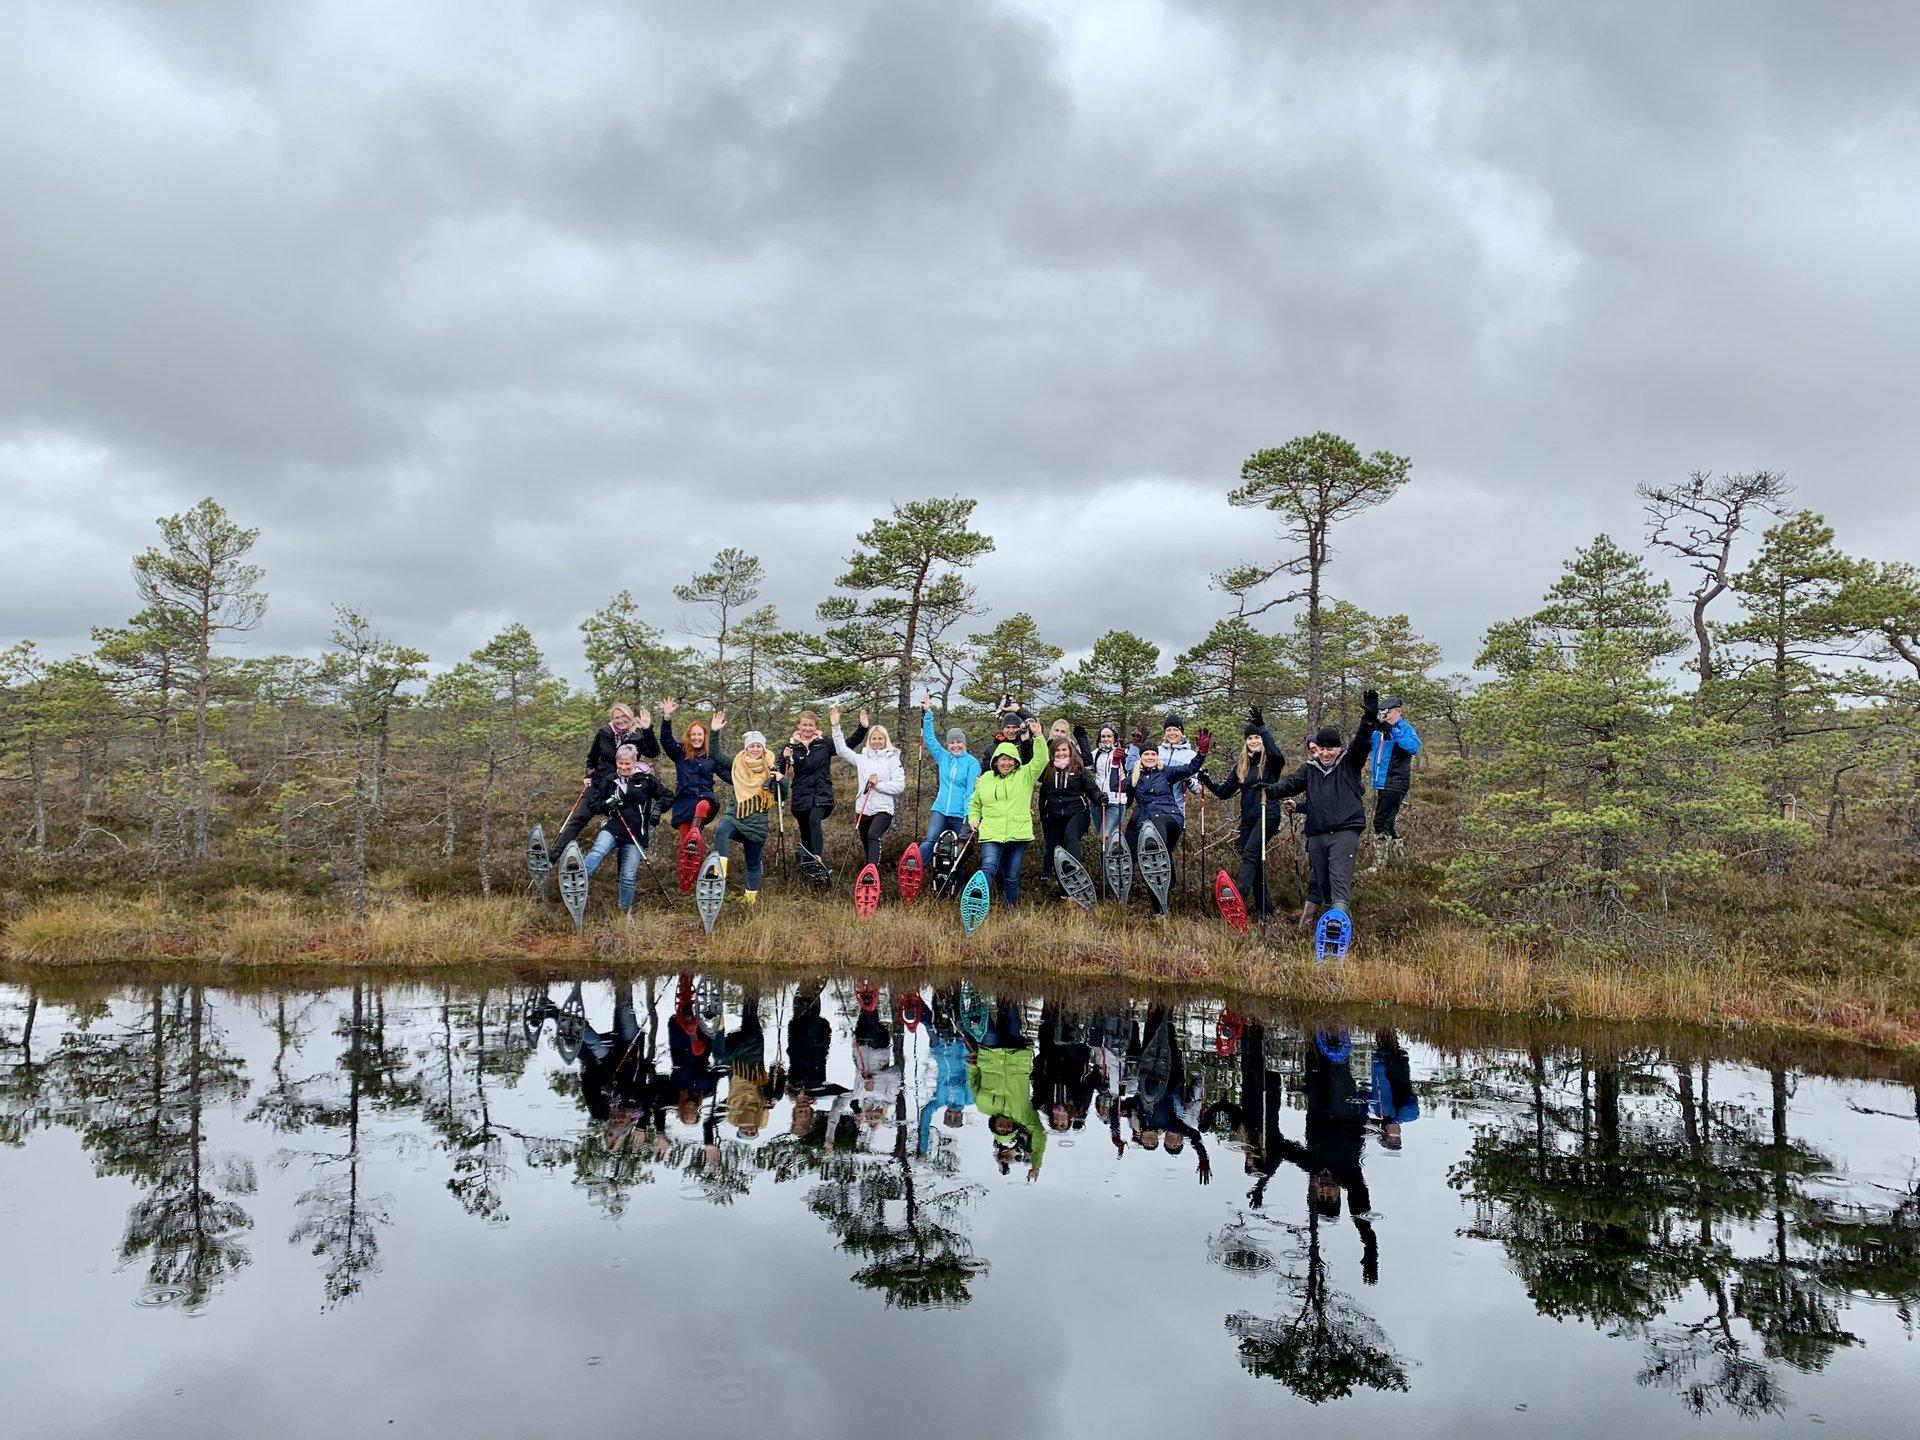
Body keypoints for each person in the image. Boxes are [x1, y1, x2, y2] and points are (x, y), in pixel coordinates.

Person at [1268, 689, 1383, 927]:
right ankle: (1330, 923)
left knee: (1339, 880)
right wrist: (1270, 789)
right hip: (1317, 833)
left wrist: (1369, 719)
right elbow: (1290, 784)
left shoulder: (1349, 764)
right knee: (1323, 883)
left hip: (1344, 831)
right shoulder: (1309, 768)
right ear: (1316, 748)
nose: (1327, 752)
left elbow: (1361, 743)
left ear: (1338, 748)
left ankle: (1339, 927)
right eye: (1323, 748)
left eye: (1332, 748)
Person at [1198, 705, 1287, 919]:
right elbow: (1224, 792)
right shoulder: (1242, 766)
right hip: (1248, 818)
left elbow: (1277, 754)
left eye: (1257, 737)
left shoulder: (1271, 762)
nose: (1254, 741)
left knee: (1250, 853)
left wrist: (1263, 727)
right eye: (1250, 738)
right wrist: (1207, 781)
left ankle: (1237, 894)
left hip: (1268, 814)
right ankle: (1267, 911)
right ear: (1245, 742)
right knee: (1253, 860)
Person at [549, 702, 661, 861]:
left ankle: (620, 875)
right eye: (617, 718)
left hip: (624, 787)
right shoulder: (604, 733)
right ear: (612, 719)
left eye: (624, 717)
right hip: (600, 783)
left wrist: (647, 729)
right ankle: (553, 855)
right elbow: (592, 758)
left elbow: (653, 752)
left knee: (624, 830)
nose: (621, 721)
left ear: (630, 717)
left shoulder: (637, 734)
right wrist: (588, 774)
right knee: (579, 818)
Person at [965, 714, 1049, 906]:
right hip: (991, 833)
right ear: (995, 761)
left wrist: (1038, 736)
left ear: (1016, 761)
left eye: (1011, 759)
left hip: (1017, 834)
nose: (1006, 763)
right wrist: (973, 819)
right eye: (1002, 759)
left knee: (1011, 877)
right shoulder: (985, 779)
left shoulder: (1025, 775)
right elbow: (975, 804)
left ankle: (1010, 912)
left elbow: (1042, 759)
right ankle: (976, 904)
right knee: (988, 868)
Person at [1122, 736, 1210, 912]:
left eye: (1153, 753)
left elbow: (1190, 768)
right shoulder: (1135, 778)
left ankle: (1154, 844)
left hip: (1170, 817)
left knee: (1155, 832)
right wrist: (1117, 765)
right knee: (1153, 863)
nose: (1150, 757)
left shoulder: (1167, 772)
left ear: (1157, 755)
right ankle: (1160, 909)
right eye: (1146, 754)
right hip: (1146, 822)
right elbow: (1116, 786)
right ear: (1141, 757)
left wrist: (1201, 753)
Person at [580, 744, 670, 913]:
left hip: (636, 834)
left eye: (627, 763)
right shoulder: (610, 780)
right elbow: (594, 805)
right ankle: (579, 877)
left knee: (628, 877)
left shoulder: (647, 780)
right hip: (613, 828)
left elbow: (667, 795)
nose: (623, 767)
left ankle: (624, 910)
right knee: (598, 849)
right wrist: (607, 804)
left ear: (635, 762)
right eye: (620, 763)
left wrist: (657, 810)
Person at [968, 1000, 1045, 1180]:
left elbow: (973, 1082)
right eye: (1008, 1129)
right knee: (1011, 1015)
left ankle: (973, 996)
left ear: (994, 1125)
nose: (1004, 1126)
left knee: (989, 1031)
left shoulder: (983, 1107)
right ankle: (1004, 988)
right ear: (1013, 1127)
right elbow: (1040, 1134)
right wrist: (1036, 1164)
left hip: (990, 1055)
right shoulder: (1023, 1114)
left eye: (1000, 1128)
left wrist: (972, 1066)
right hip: (1016, 1056)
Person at [709, 729, 787, 904]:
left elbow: (783, 795)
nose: (755, 749)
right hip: (736, 816)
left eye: (759, 746)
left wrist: (782, 780)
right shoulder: (737, 763)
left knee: (753, 864)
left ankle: (750, 900)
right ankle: (719, 870)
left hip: (757, 824)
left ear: (764, 749)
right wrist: (714, 731)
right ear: (746, 748)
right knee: (722, 828)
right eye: (752, 746)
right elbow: (715, 753)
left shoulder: (771, 769)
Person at [781, 709, 865, 866]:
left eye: (811, 725)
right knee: (805, 831)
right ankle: (808, 864)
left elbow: (846, 745)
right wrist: (786, 758)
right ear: (798, 726)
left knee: (814, 820)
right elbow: (781, 771)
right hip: (801, 796)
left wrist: (862, 728)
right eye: (804, 725)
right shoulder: (791, 746)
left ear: (815, 727)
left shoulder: (824, 743)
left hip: (822, 794)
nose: (807, 728)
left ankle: (817, 857)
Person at [829, 706, 906, 867]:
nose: (877, 742)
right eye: (873, 739)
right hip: (862, 809)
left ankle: (872, 872)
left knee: (873, 835)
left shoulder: (893, 760)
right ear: (869, 741)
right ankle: (870, 870)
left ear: (886, 740)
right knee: (865, 840)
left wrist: (878, 784)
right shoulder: (862, 759)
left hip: (883, 809)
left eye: (880, 739)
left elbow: (899, 786)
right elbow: (842, 750)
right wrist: (836, 727)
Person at [918, 695, 983, 862]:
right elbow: (930, 740)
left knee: (958, 851)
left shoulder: (972, 763)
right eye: (952, 742)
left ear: (964, 743)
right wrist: (928, 713)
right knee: (930, 841)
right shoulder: (943, 757)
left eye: (959, 742)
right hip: (940, 809)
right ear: (947, 744)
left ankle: (955, 881)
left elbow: (971, 791)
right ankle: (914, 868)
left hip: (960, 814)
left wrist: (969, 817)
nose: (955, 745)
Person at [657, 699, 727, 850]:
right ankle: (689, 871)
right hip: (684, 802)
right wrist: (667, 717)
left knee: (703, 804)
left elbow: (729, 776)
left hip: (704, 800)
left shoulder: (711, 757)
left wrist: (750, 774)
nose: (696, 737)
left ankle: (694, 834)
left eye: (699, 734)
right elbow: (666, 740)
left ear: (704, 736)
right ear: (689, 736)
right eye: (693, 734)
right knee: (686, 847)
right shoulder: (680, 753)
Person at [1036, 735, 1102, 885]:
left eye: (1064, 749)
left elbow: (1092, 789)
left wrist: (1099, 798)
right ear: (1052, 752)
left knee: (1070, 837)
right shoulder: (1047, 770)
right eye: (1057, 750)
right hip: (1054, 815)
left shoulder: (1079, 769)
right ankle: (1065, 885)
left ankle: (1077, 874)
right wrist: (1043, 815)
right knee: (1057, 848)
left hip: (1077, 813)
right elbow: (1043, 795)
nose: (1061, 753)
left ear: (1070, 751)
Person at [1368, 696, 1422, 864]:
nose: (1386, 716)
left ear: (1399, 712)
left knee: (1380, 821)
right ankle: (1398, 860)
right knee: (1388, 822)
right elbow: (1366, 747)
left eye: (1389, 712)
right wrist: (1370, 725)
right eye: (1383, 713)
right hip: (1382, 782)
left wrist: (1392, 730)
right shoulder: (1378, 731)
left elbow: (1413, 747)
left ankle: (1380, 865)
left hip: (1395, 782)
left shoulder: (1405, 728)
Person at [1074, 721, 1134, 845]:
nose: (1106, 739)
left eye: (1109, 736)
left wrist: (1133, 749)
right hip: (1098, 801)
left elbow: (1134, 767)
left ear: (1115, 738)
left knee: (1104, 836)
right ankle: (1106, 864)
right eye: (1103, 736)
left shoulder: (1123, 753)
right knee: (1101, 839)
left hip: (1115, 802)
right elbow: (1084, 763)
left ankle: (1116, 861)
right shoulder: (1096, 754)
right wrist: (1081, 741)